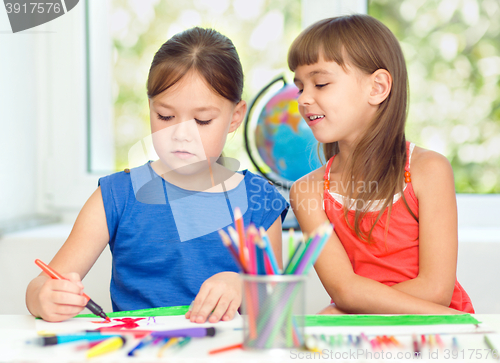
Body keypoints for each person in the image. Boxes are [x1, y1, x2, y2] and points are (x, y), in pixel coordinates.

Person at [26, 27, 288, 323]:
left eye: (202, 120)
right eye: (165, 116)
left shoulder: (259, 199)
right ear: (150, 107)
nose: (182, 135)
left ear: (235, 118)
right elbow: (40, 285)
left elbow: (276, 307)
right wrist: (43, 298)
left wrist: (243, 284)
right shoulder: (116, 196)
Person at [288, 15, 473, 314]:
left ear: (377, 88)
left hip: (434, 334)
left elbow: (436, 290)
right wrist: (346, 305)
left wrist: (344, 310)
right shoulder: (306, 192)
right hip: (365, 333)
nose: (304, 99)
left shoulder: (430, 170)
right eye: (300, 87)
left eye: (320, 83)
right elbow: (344, 289)